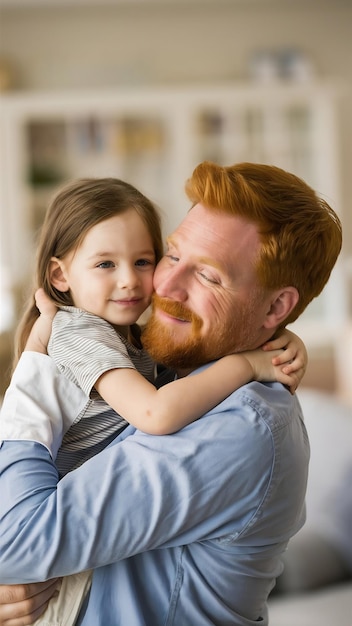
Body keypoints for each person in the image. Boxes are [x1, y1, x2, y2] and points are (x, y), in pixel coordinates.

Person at [0, 161, 342, 626]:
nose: (161, 285)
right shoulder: (179, 366)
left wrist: (28, 393)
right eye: (173, 255)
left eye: (209, 276)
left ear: (277, 307)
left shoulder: (241, 426)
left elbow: (17, 544)